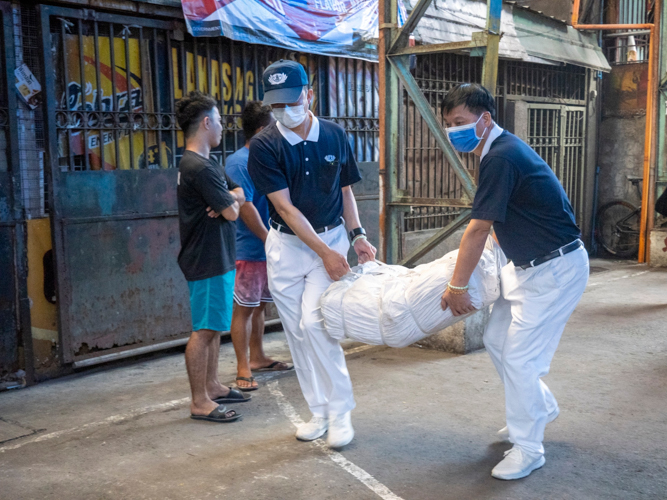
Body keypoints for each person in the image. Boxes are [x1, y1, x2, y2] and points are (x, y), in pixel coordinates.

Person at [440, 84, 589, 480]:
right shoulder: (496, 151)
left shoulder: (500, 158)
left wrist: (457, 286)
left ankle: (529, 448)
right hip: (525, 267)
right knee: (496, 339)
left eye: (460, 122)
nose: (453, 130)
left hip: (554, 270)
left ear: (485, 119)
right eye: (448, 124)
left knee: (522, 359)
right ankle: (538, 408)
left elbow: (477, 228)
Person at [248, 60, 376, 448]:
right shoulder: (264, 145)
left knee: (316, 324)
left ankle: (340, 412)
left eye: (293, 101)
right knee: (297, 333)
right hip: (288, 247)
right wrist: (322, 251)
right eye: (277, 105)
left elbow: (346, 192)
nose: (286, 110)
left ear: (310, 95)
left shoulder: (335, 135)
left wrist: (357, 237)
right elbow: (284, 209)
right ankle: (318, 411)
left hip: (331, 240)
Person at [175, 91, 251, 423]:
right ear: (206, 123)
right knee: (204, 330)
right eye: (219, 120)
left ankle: (213, 386)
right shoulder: (199, 168)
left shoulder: (208, 164)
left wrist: (230, 197)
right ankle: (199, 401)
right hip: (206, 258)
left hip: (216, 255)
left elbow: (240, 195)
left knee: (214, 327)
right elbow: (234, 214)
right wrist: (231, 203)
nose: (222, 126)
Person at [226, 101, 294, 391]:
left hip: (267, 248)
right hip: (249, 250)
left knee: (259, 307)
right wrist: (269, 240)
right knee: (243, 308)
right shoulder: (240, 162)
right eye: (273, 126)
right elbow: (246, 207)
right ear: (261, 129)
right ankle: (243, 366)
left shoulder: (264, 158)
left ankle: (258, 357)